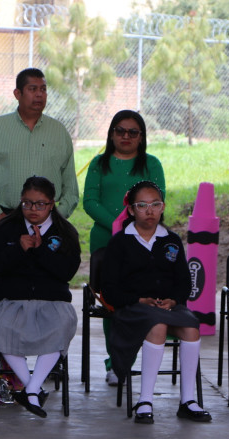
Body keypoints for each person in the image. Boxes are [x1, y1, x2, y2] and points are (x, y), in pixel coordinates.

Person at [102, 180, 212, 424]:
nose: (149, 211)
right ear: (131, 210)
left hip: (167, 307)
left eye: (155, 204)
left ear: (162, 208)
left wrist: (174, 300)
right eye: (142, 205)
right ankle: (145, 400)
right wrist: (139, 299)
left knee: (191, 327)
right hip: (132, 308)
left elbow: (184, 281)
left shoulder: (170, 240)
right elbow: (109, 289)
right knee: (157, 326)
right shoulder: (120, 242)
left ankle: (188, 400)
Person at [0, 176, 80, 418]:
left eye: (40, 204)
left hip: (53, 300)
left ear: (52, 204)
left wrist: (41, 250)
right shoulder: (6, 228)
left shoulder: (65, 232)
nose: (33, 210)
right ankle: (33, 389)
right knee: (1, 324)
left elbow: (67, 271)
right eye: (27, 203)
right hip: (13, 299)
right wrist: (18, 248)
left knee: (63, 323)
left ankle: (32, 389)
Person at [83, 110, 165, 387]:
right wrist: (118, 226)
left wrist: (134, 226)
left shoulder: (151, 164)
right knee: (112, 302)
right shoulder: (98, 163)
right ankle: (115, 363)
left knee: (143, 298)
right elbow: (90, 201)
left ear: (142, 136)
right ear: (111, 134)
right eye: (120, 131)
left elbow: (157, 200)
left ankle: (141, 358)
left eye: (133, 132)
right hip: (107, 241)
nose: (126, 136)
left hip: (145, 241)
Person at [0, 68, 79, 223]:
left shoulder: (59, 132)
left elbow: (71, 187)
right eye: (33, 89)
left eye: (43, 89)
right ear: (17, 94)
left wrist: (56, 219)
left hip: (50, 220)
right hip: (5, 217)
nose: (39, 94)